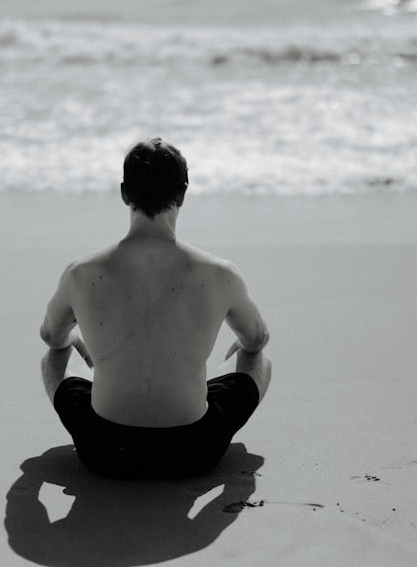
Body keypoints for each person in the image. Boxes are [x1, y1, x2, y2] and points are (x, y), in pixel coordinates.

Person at [40, 138, 271, 478]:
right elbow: (258, 339)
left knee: (53, 357)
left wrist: (71, 339)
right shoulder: (221, 274)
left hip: (104, 451)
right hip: (193, 453)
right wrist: (242, 345)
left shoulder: (81, 273)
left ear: (124, 193)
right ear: (182, 194)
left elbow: (50, 336)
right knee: (259, 359)